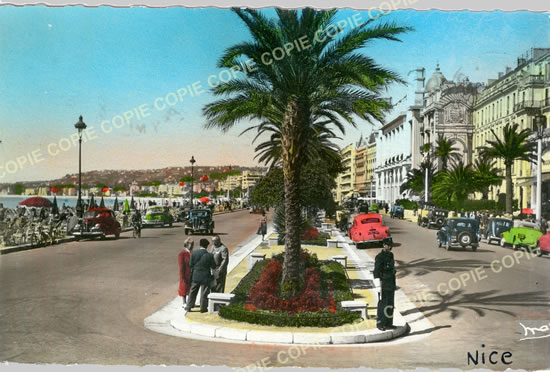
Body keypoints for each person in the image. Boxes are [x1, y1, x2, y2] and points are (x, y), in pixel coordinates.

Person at [185, 238, 216, 313]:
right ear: (207, 246)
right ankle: (203, 308)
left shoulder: (194, 253)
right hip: (205, 276)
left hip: (196, 275)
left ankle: (189, 306)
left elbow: (190, 264)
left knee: (193, 291)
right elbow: (213, 266)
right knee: (204, 293)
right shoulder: (209, 255)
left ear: (200, 244)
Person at [373, 242, 396, 331]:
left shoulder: (391, 255)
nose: (389, 247)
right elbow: (376, 271)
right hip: (383, 283)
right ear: (383, 245)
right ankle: (380, 324)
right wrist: (378, 284)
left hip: (391, 282)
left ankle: (388, 323)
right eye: (387, 245)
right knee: (383, 304)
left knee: (390, 304)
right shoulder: (379, 257)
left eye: (390, 245)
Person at [178, 238, 194, 307]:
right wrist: (182, 277)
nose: (192, 246)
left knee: (190, 288)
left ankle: (189, 302)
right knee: (184, 288)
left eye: (192, 244)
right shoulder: (182, 254)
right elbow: (181, 266)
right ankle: (184, 303)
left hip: (191, 273)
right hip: (185, 274)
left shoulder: (191, 253)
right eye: (191, 244)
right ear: (186, 245)